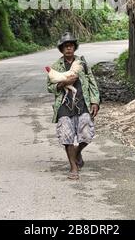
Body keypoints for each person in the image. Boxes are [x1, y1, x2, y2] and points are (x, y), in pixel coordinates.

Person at [47, 32, 100, 180]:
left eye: (71, 46)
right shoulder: (56, 66)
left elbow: (92, 82)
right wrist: (63, 84)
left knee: (87, 135)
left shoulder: (82, 63)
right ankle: (73, 167)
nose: (68, 48)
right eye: (65, 46)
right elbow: (50, 87)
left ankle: (77, 152)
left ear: (74, 48)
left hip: (82, 102)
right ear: (61, 49)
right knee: (66, 136)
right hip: (64, 104)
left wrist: (95, 101)